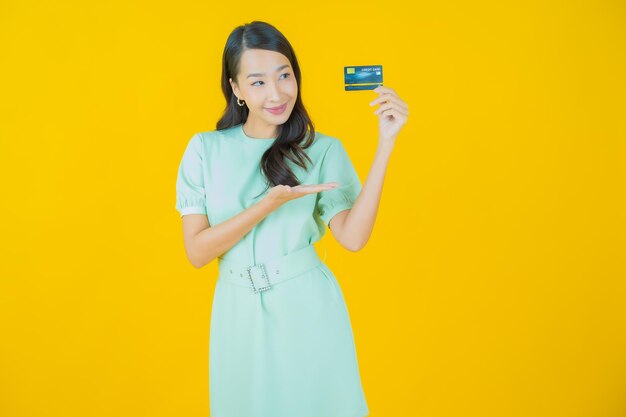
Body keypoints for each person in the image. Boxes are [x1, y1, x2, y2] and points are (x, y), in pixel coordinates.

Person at [175, 20, 408, 417]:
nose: (278, 93)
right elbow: (197, 252)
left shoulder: (322, 150)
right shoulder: (204, 151)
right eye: (259, 82)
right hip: (237, 311)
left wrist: (386, 144)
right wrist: (267, 204)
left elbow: (352, 239)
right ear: (236, 89)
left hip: (307, 307)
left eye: (285, 76)